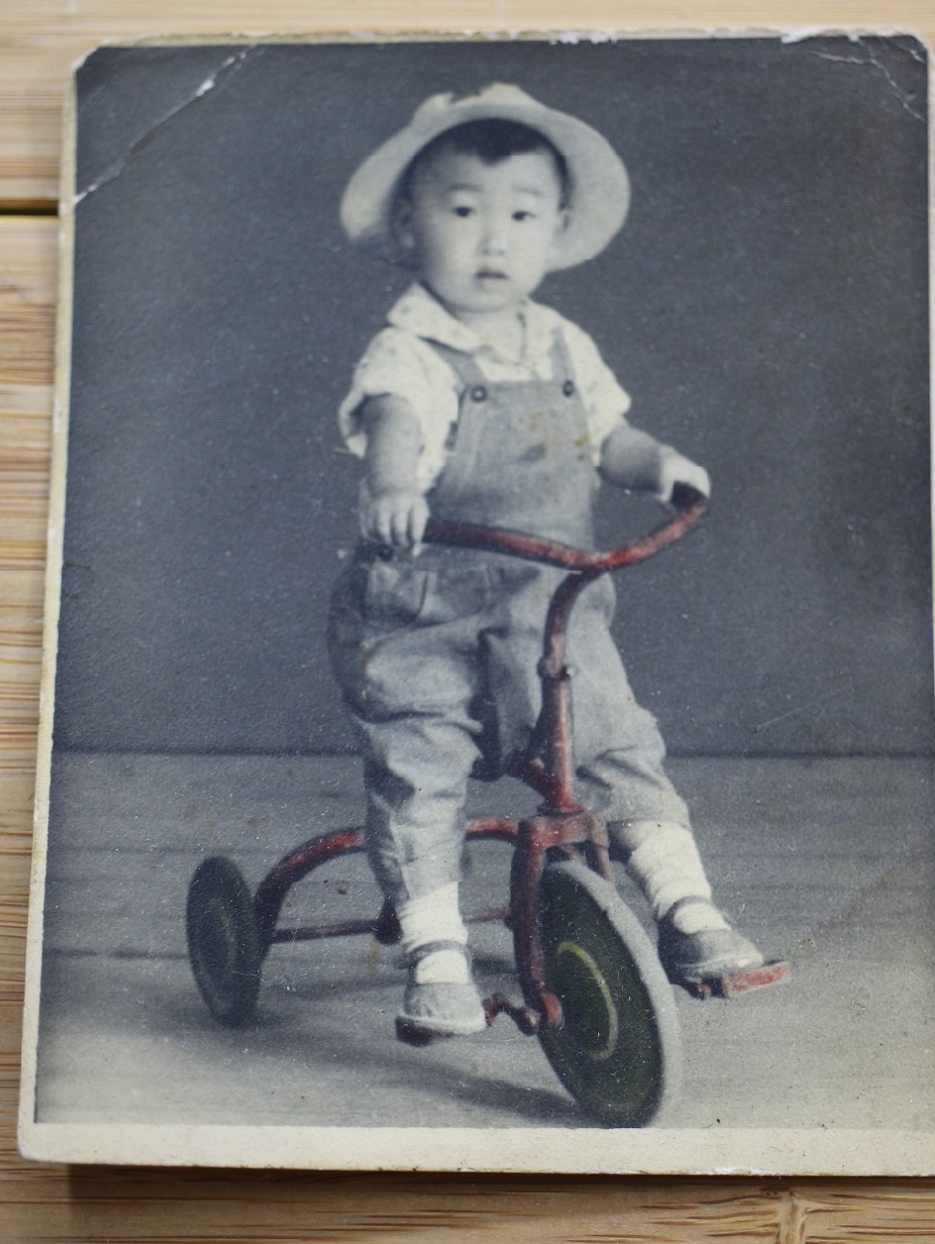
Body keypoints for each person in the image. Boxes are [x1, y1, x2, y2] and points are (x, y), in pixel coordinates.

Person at [331, 84, 765, 1038]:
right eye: (462, 212)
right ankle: (436, 951)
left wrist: (660, 467)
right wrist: (394, 489)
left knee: (613, 743)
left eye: (520, 216)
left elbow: (605, 435)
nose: (493, 241)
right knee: (421, 765)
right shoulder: (410, 350)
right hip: (425, 609)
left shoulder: (561, 343)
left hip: (550, 606)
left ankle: (686, 909)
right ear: (408, 226)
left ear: (557, 229)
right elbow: (394, 424)